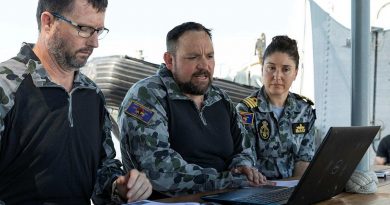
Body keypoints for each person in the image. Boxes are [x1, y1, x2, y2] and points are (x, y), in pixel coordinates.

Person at [0, 0, 151, 204]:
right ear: (48, 23)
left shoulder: (92, 95)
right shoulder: (6, 86)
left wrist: (120, 187)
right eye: (85, 29)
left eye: (99, 31)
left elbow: (102, 169)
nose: (95, 42)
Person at [118, 22, 269, 197]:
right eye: (193, 57)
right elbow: (158, 170)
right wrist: (226, 180)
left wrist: (242, 168)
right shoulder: (147, 96)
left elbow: (245, 148)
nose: (204, 65)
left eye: (210, 56)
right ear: (169, 60)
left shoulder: (220, 98)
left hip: (229, 196)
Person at [236, 35, 316, 180]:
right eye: (271, 68)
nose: (277, 76)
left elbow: (305, 158)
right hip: (257, 188)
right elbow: (245, 156)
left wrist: (295, 191)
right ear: (262, 69)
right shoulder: (246, 110)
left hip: (293, 189)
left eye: (286, 69)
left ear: (296, 73)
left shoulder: (305, 111)